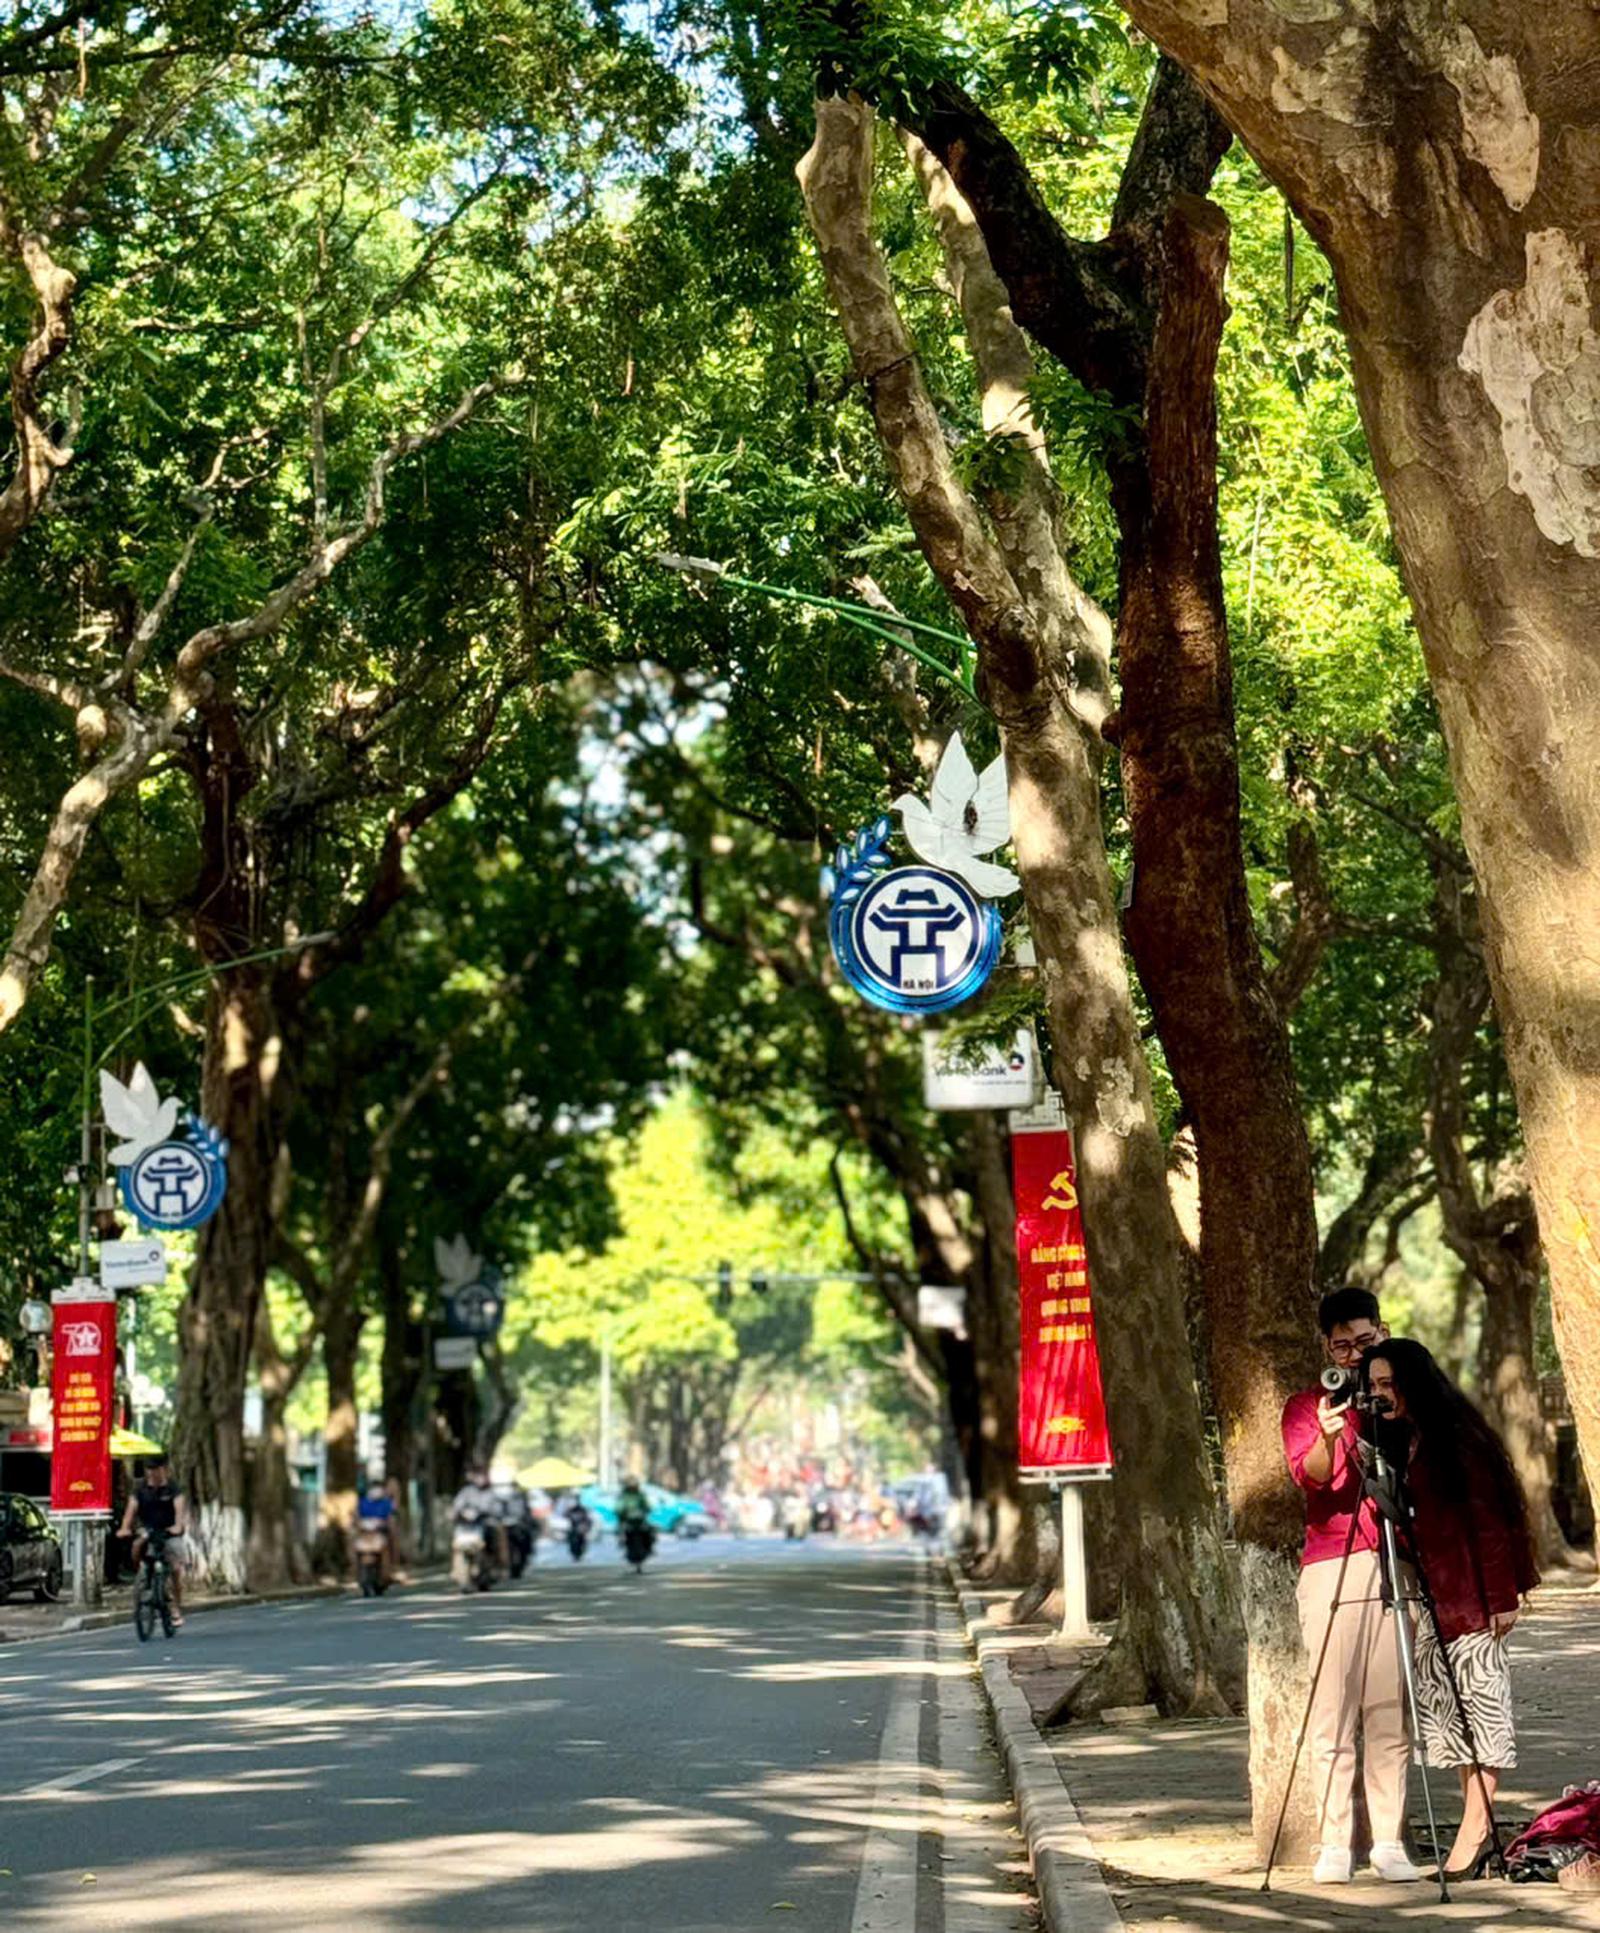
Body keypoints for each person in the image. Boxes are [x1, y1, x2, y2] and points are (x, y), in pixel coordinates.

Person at [1365, 1339, 1540, 1881]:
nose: (1380, 1394)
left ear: (1414, 1382)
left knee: (1483, 1716)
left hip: (1471, 1601)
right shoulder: (1410, 1440)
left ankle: (1475, 1833)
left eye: (1389, 1383)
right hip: (1437, 1603)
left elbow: (1491, 1524)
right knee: (1455, 1725)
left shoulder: (1457, 1441)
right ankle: (1475, 1827)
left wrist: (1502, 1598)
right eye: (1373, 1385)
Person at [1280, 1286, 1418, 1885]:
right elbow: (1309, 1478)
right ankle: (1335, 1842)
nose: (1356, 1355)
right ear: (1326, 1348)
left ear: (1382, 1333)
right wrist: (1330, 1435)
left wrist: (1395, 1402)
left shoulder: (1399, 1400)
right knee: (1332, 1711)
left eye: (1366, 1341)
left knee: (1389, 1710)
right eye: (1343, 1346)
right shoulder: (1306, 1406)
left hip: (1391, 1559)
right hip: (1330, 1562)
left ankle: (1388, 1841)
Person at [117, 1450, 190, 1627]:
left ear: (164, 1469)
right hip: (148, 1531)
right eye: (149, 1469)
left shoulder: (173, 1489)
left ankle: (176, 1608)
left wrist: (177, 1526)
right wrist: (125, 1528)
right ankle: (142, 1577)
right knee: (137, 1545)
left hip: (169, 1533)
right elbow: (130, 1510)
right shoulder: (140, 1489)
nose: (152, 1473)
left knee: (176, 1568)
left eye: (155, 1468)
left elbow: (180, 1512)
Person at [355, 1477, 397, 1587]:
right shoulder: (364, 1502)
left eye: (378, 1487)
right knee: (355, 1547)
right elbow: (357, 1517)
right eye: (373, 1487)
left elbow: (391, 1517)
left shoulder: (386, 1503)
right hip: (366, 1535)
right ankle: (356, 1573)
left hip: (381, 1533)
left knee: (389, 1545)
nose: (376, 1491)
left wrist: (389, 1525)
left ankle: (387, 1571)